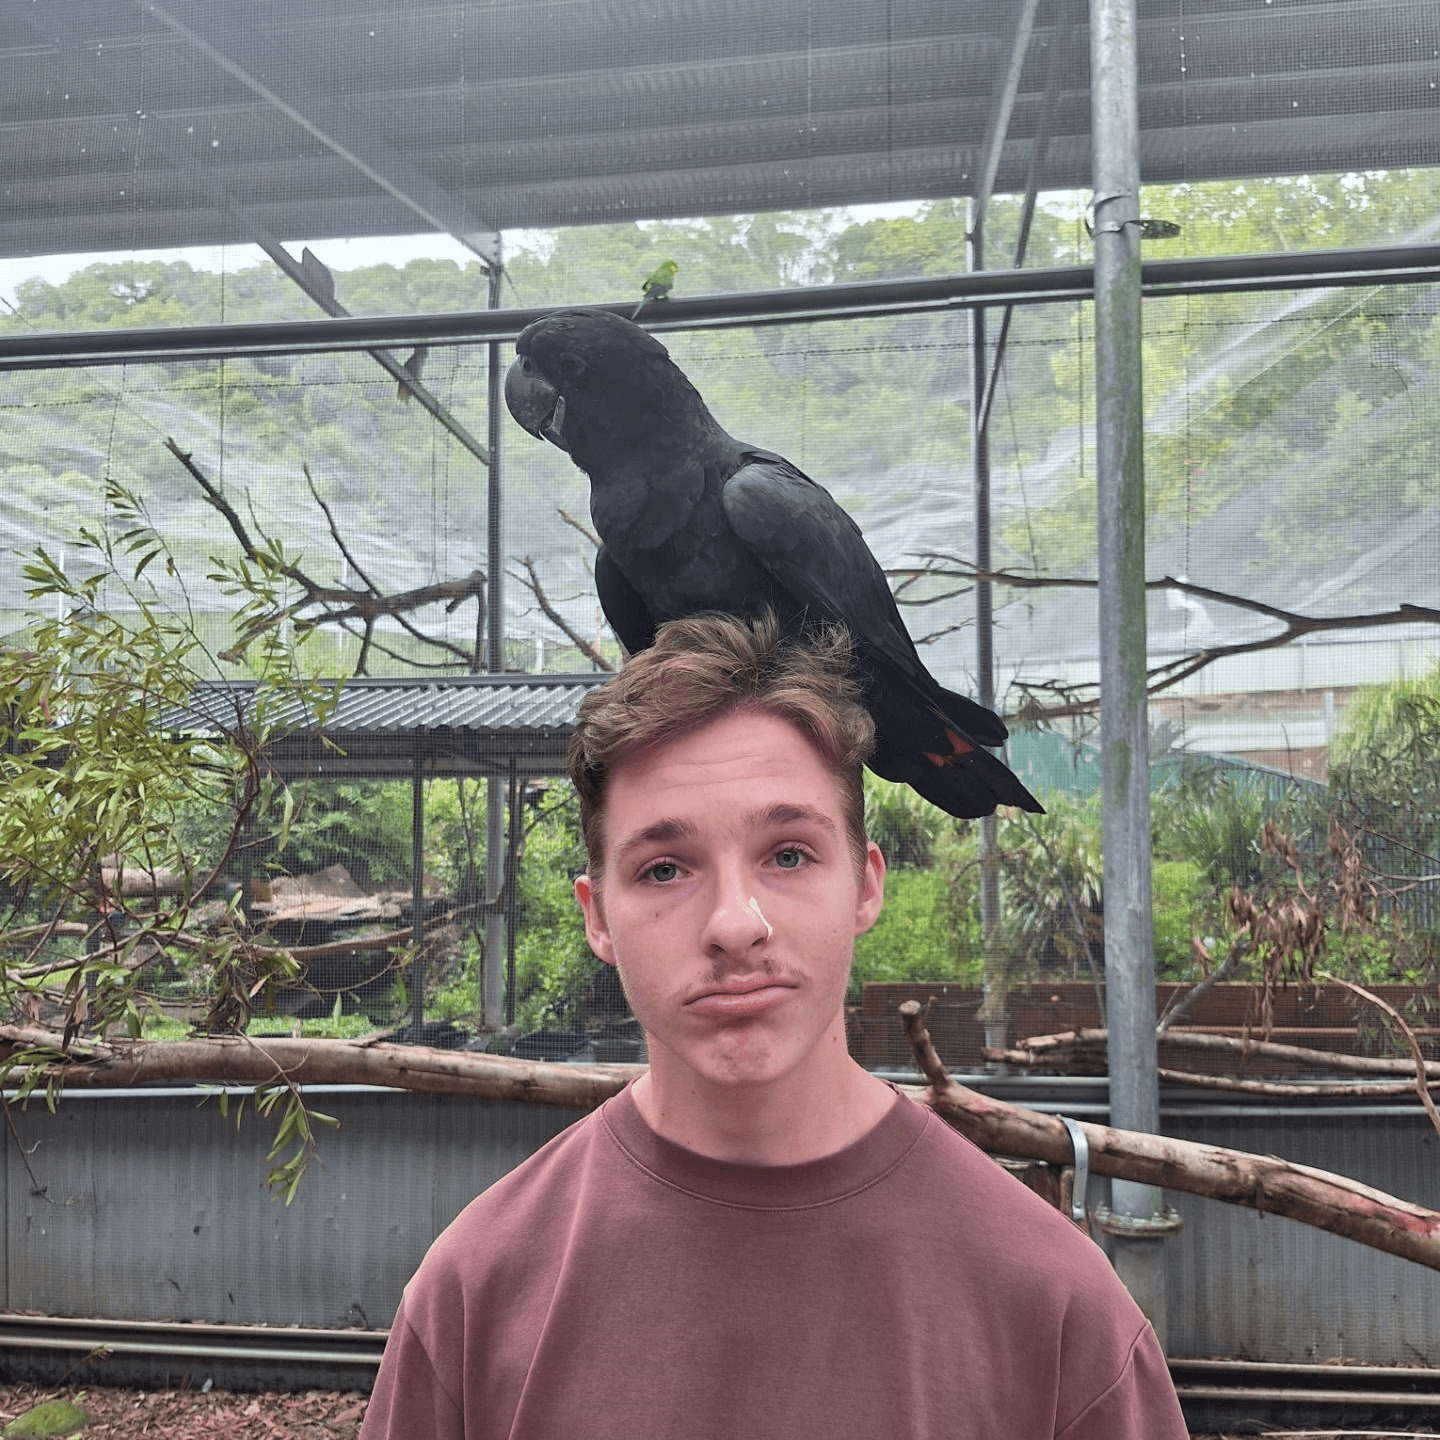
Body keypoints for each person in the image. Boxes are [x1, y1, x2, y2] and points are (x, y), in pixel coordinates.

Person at [360, 613, 1189, 1440]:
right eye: (663, 868)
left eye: (788, 854)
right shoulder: (473, 1297)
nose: (735, 922)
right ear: (598, 916)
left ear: (866, 886)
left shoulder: (1058, 1316)